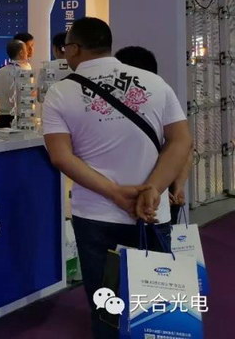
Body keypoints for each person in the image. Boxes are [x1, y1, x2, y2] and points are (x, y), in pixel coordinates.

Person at [42, 18, 192, 339]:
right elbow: (181, 141)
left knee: (106, 305)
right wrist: (154, 189)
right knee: (156, 300)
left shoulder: (60, 92)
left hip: (96, 214)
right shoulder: (154, 83)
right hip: (151, 211)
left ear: (75, 48)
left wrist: (113, 192)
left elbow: (61, 157)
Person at [115, 45, 190, 223]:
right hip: (161, 194)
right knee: (158, 237)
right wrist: (177, 186)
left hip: (121, 196)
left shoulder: (108, 106)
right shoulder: (164, 95)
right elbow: (185, 146)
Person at [0, 39, 30, 128]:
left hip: (2, 120)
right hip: (21, 120)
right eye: (26, 50)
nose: (28, 53)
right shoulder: (24, 72)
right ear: (21, 52)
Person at [38, 32, 71, 101]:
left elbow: (40, 95)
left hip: (52, 104)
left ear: (55, 48)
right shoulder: (76, 66)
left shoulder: (47, 66)